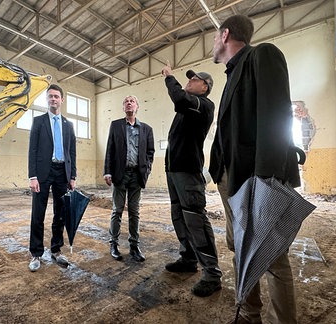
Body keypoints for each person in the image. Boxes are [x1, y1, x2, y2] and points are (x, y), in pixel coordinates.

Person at [209, 15, 302, 324]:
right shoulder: (231, 74)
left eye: (214, 36)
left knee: (273, 255)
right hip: (232, 178)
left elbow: (276, 119)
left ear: (224, 35)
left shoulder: (262, 55)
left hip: (256, 178)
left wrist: (268, 182)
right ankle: (250, 315)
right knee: (239, 247)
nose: (212, 42)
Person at [160, 63, 222, 297]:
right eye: (189, 78)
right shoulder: (188, 108)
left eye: (194, 79)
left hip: (188, 172)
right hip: (174, 171)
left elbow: (179, 98)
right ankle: (188, 258)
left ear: (205, 87)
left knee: (195, 219)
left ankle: (212, 273)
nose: (189, 81)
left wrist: (169, 77)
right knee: (179, 215)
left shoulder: (203, 105)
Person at [27, 84, 77, 272]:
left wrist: (72, 175)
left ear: (62, 100)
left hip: (62, 173)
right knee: (38, 214)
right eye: (50, 97)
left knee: (61, 214)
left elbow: (72, 151)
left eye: (56, 96)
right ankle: (36, 253)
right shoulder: (38, 121)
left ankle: (56, 250)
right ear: (47, 100)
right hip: (42, 173)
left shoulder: (68, 125)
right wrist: (32, 176)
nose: (53, 99)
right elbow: (32, 150)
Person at [103, 95, 155, 262]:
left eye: (132, 101)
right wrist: (107, 171)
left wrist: (146, 169)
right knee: (117, 210)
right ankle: (114, 244)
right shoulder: (116, 125)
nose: (129, 103)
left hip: (137, 175)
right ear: (123, 107)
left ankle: (134, 246)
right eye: (126, 101)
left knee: (134, 212)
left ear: (137, 106)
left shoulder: (146, 129)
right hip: (120, 174)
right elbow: (110, 149)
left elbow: (150, 152)